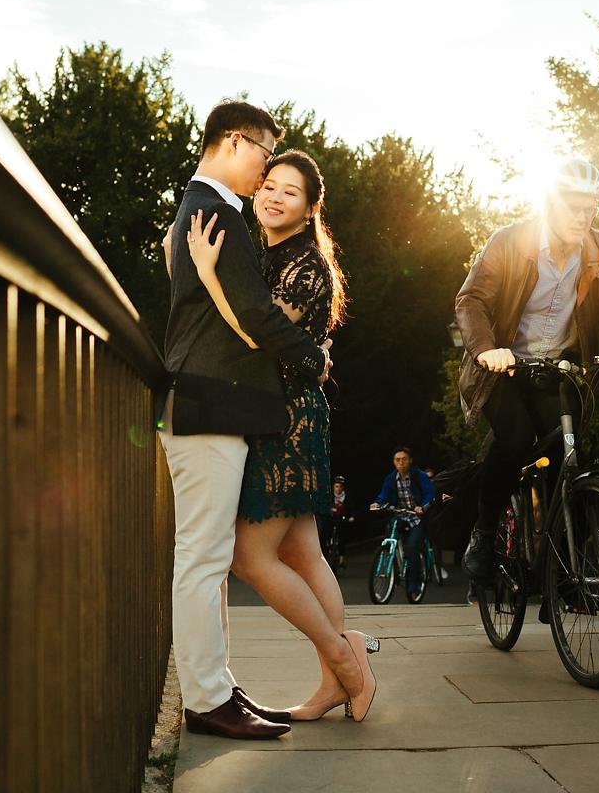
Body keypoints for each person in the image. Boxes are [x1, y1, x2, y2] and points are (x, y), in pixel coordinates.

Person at [178, 148, 379, 724]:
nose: (272, 196)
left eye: (289, 191)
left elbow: (255, 334)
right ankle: (336, 681)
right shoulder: (270, 256)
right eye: (268, 185)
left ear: (311, 206)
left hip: (287, 419)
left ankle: (346, 662)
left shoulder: (306, 266)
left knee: (249, 555)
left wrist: (208, 272)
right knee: (303, 553)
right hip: (285, 410)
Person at [454, 159, 599, 584]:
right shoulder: (510, 242)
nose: (583, 217)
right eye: (573, 206)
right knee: (514, 437)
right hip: (503, 369)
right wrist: (488, 350)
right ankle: (485, 533)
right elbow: (472, 301)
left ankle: (566, 571)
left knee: (573, 456)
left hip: (557, 369)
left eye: (591, 207)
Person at [370, 447, 435, 596]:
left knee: (412, 548)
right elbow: (383, 495)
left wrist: (422, 507)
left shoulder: (420, 476)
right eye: (397, 460)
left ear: (410, 460)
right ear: (394, 462)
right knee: (389, 535)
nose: (401, 463)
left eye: (404, 459)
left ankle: (414, 584)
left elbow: (430, 494)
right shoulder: (391, 478)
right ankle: (393, 564)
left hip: (417, 517)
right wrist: (377, 503)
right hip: (400, 515)